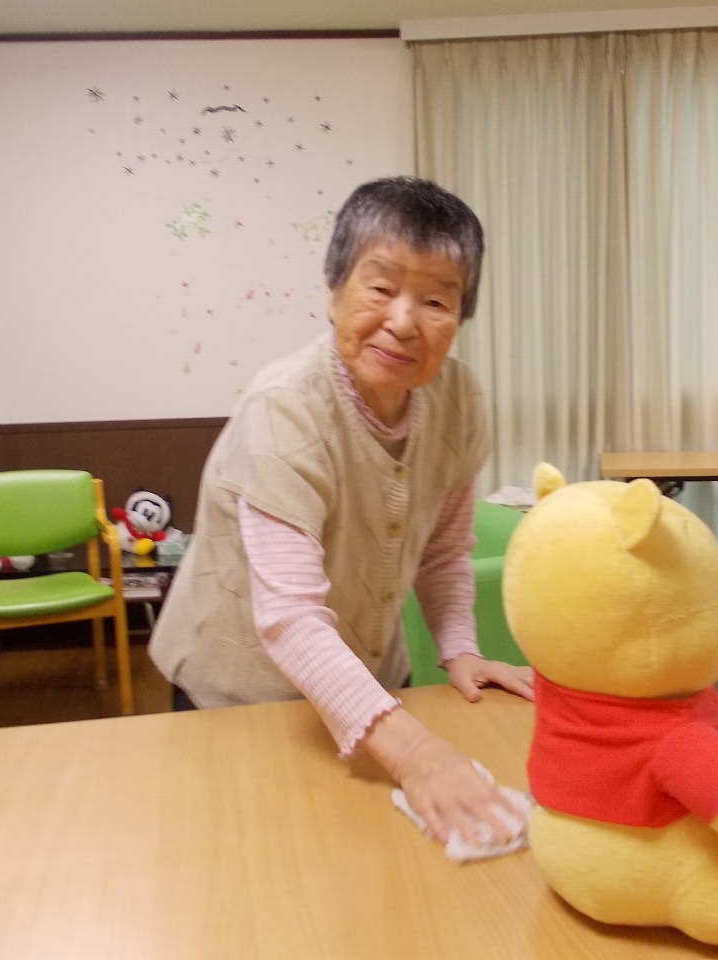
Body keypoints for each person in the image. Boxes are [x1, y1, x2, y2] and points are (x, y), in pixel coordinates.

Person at [149, 176, 533, 845]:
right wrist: (417, 754)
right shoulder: (284, 410)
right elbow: (291, 619)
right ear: (334, 290)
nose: (404, 322)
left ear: (460, 316)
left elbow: (443, 552)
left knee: (376, 860)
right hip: (240, 699)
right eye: (381, 288)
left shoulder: (461, 402)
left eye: (436, 300)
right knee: (256, 864)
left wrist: (460, 650)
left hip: (371, 684)